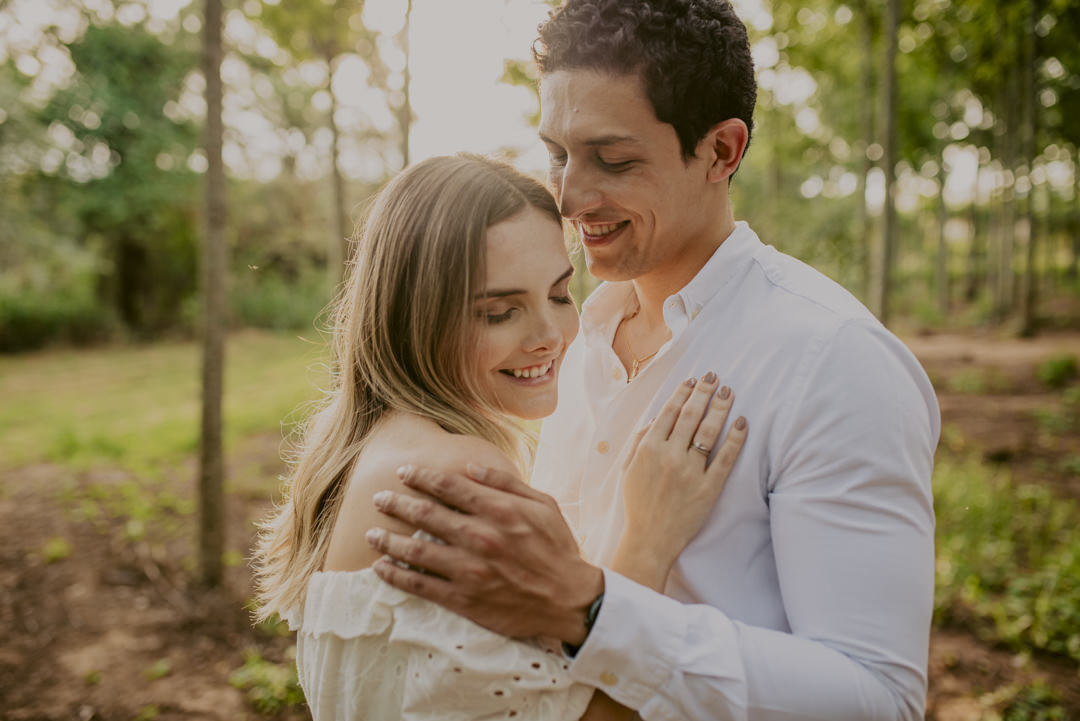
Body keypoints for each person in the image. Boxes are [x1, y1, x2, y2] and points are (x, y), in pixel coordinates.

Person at [366, 2, 941, 720]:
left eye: (613, 158)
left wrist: (595, 605)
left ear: (721, 152)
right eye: (558, 153)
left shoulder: (833, 362)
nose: (570, 197)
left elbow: (876, 699)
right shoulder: (567, 342)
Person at [251, 154, 748, 720]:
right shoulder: (450, 475)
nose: (550, 336)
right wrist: (650, 537)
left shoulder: (372, 443)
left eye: (560, 295)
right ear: (419, 317)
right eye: (500, 312)